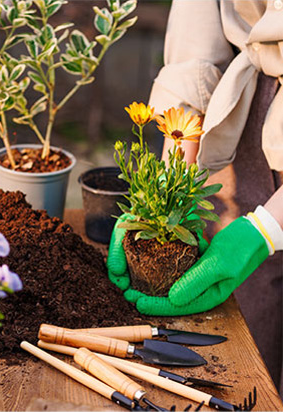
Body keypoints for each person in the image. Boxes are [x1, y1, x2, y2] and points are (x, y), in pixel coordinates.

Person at [107, 0, 283, 396]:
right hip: (244, 114)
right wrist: (171, 182)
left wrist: (266, 229)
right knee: (250, 353)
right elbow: (197, 36)